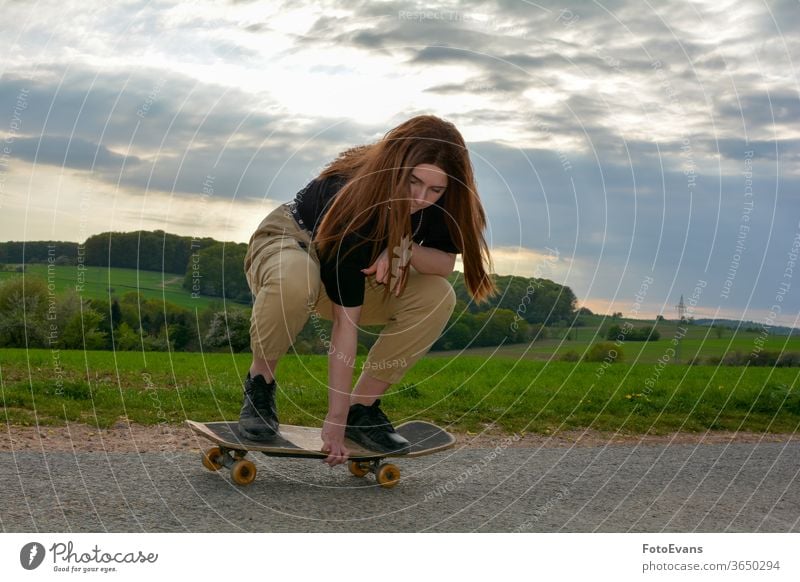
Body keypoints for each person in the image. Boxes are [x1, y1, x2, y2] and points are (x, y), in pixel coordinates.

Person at [239, 114, 495, 467]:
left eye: (435, 190)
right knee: (298, 280)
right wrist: (333, 420)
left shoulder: (447, 202)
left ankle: (364, 408)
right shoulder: (352, 198)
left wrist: (397, 246)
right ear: (395, 168)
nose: (421, 198)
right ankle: (259, 385)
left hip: (356, 258)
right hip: (292, 242)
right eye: (413, 182)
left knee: (437, 295)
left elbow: (442, 265)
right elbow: (346, 326)